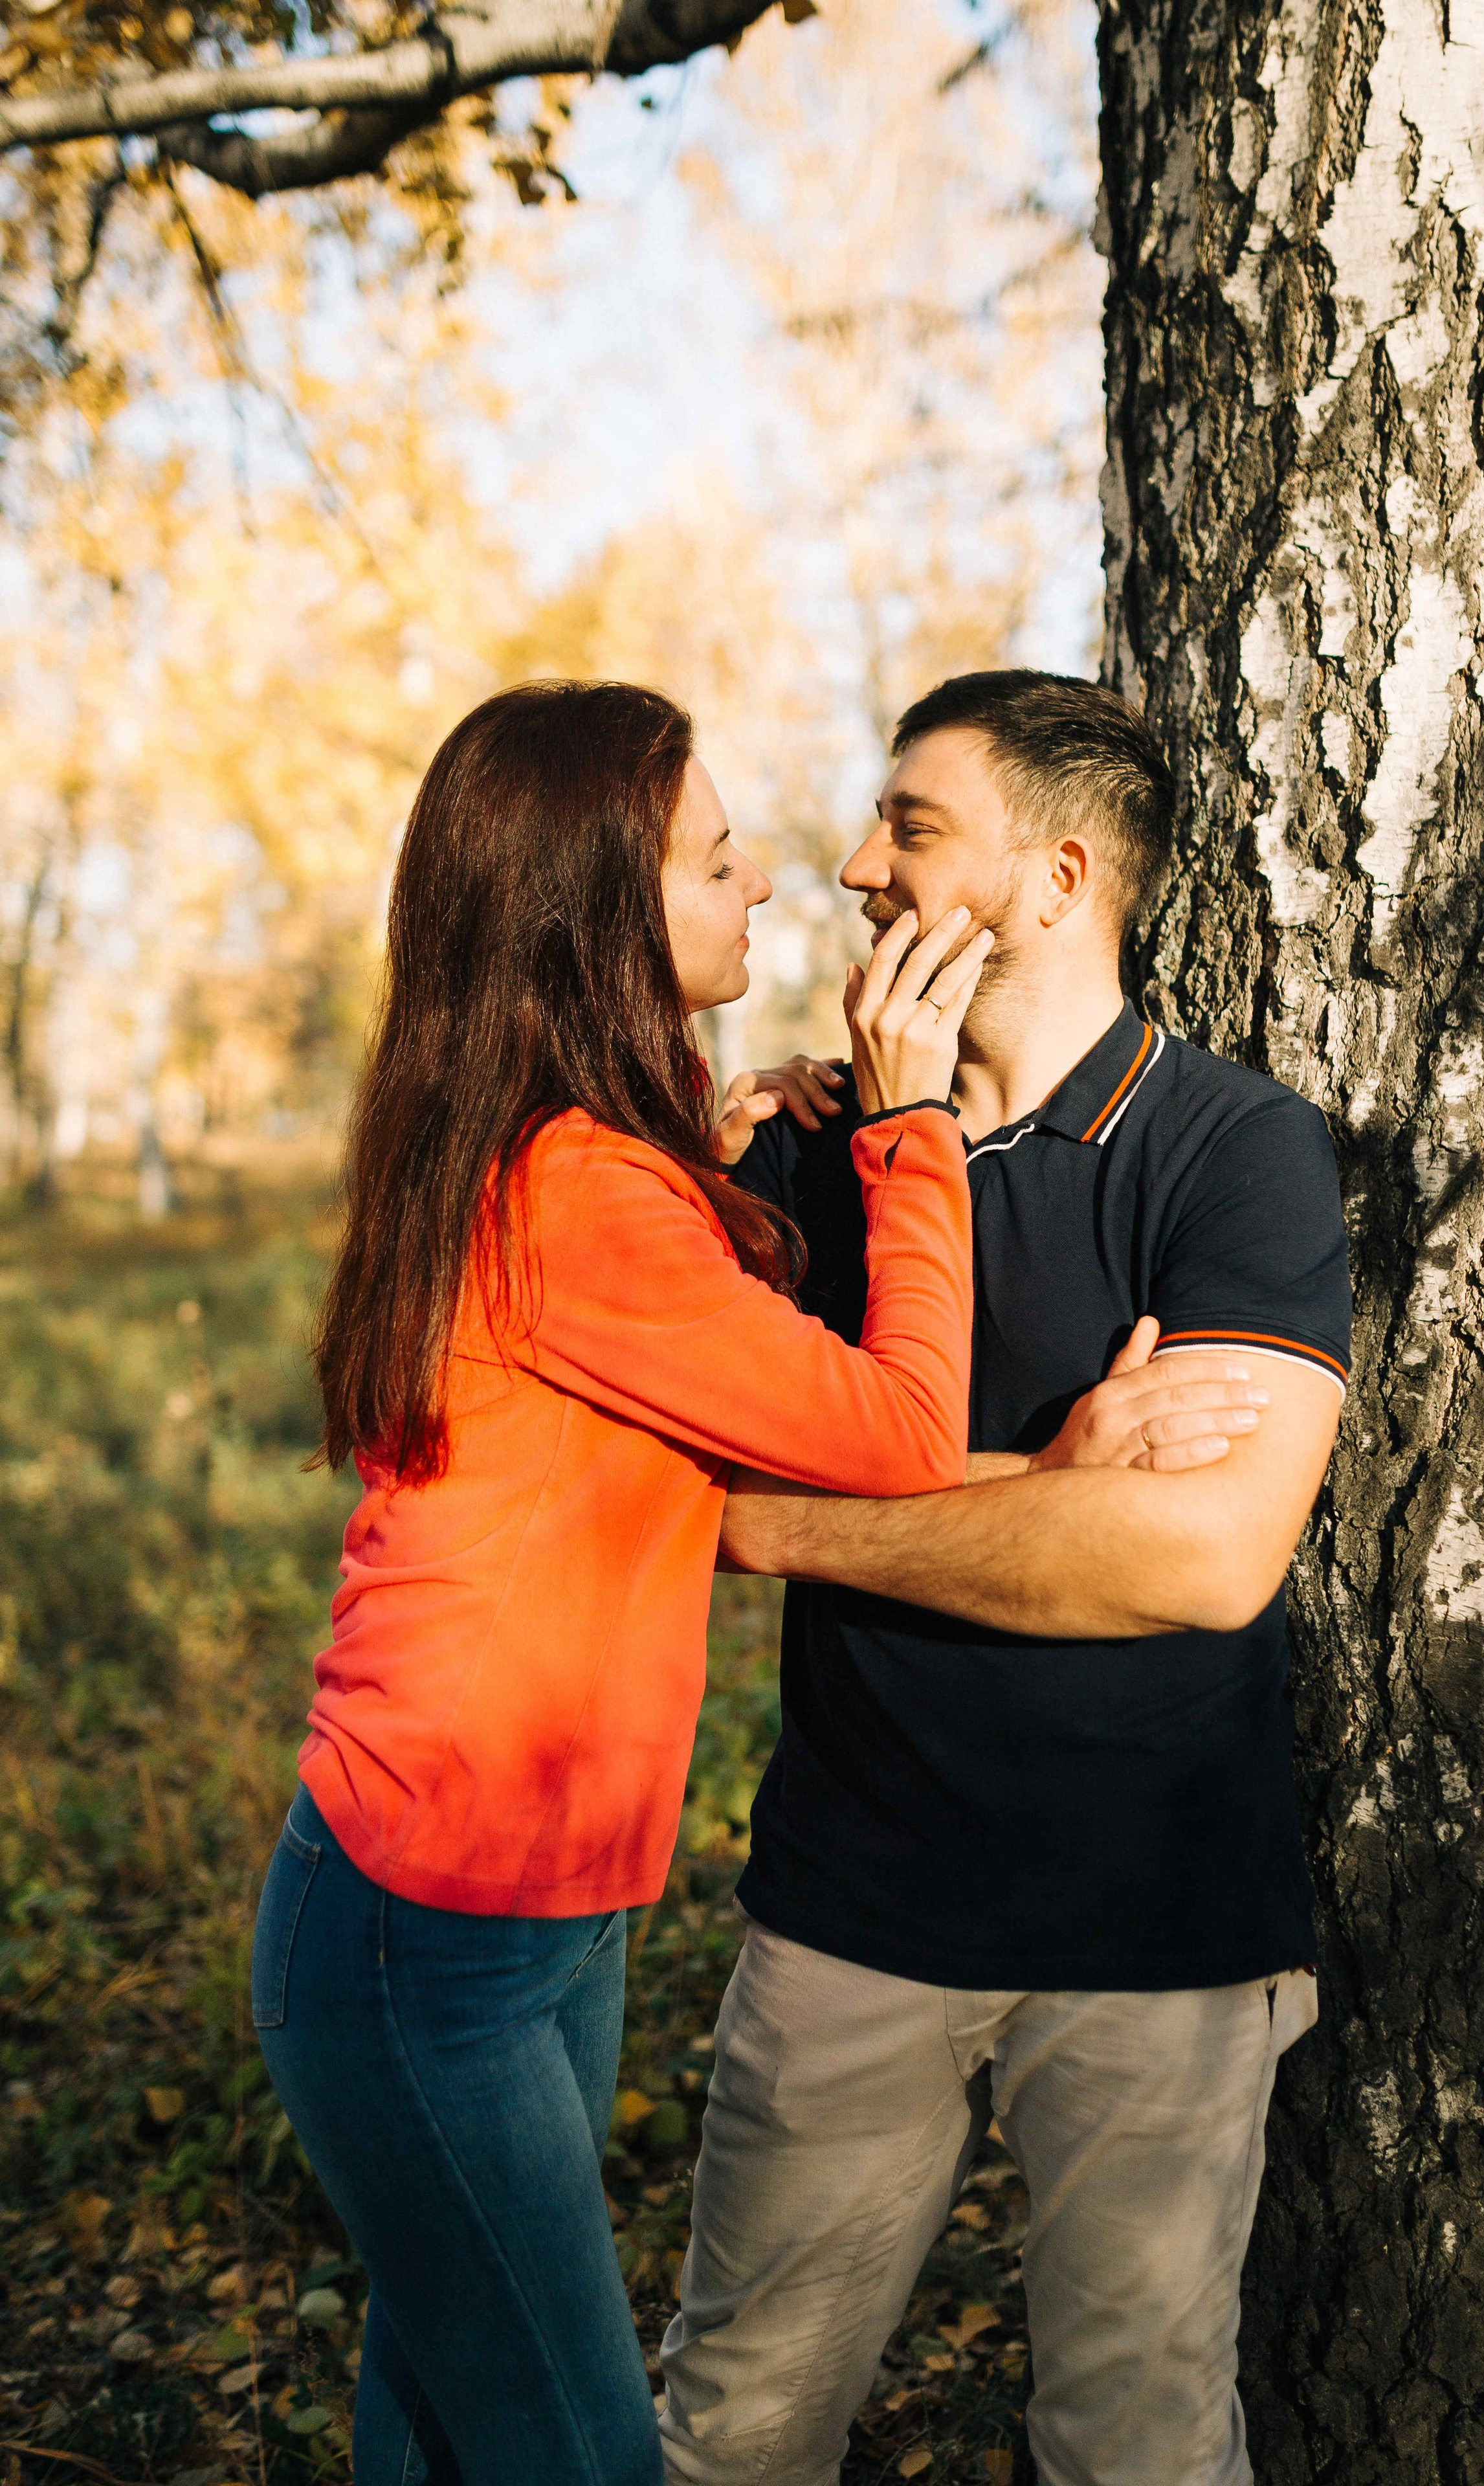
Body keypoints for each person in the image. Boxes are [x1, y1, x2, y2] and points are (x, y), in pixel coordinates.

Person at [250, 677, 1001, 2486]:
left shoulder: (551, 1146)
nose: (769, 886)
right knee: (575, 2449)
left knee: (449, 2414)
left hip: (537, 1905)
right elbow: (904, 1432)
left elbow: (641, 1328)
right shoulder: (579, 1195)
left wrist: (717, 1152)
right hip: (430, 1933)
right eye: (717, 864)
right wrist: (909, 1132)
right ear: (599, 914)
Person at [658, 670, 1353, 2486]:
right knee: (736, 2430)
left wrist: (805, 1514)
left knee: (1139, 2445)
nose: (851, 865)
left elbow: (1206, 1556)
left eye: (912, 826)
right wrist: (1049, 1492)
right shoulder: (799, 1154)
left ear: (1056, 880)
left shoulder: (1237, 1149)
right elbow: (686, 1495)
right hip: (850, 1911)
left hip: (1161, 1937)